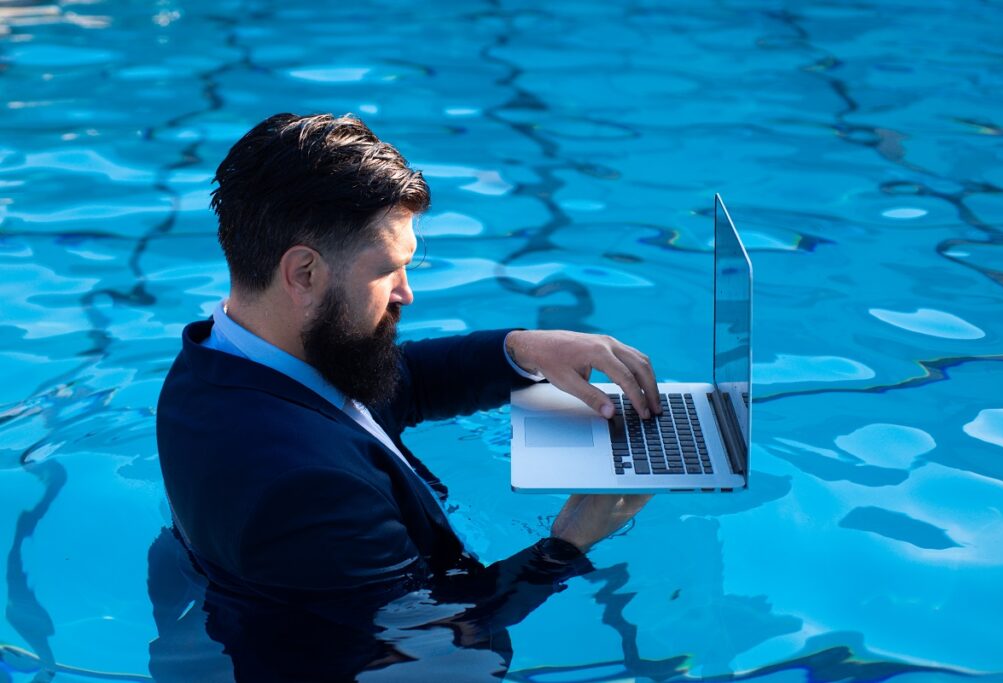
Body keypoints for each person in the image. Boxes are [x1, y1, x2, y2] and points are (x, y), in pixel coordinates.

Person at [153, 113, 660, 681]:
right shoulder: (301, 485)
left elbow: (395, 384)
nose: (407, 294)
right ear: (304, 273)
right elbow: (429, 637)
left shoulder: (220, 359)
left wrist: (523, 350)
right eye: (388, 271)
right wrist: (570, 542)